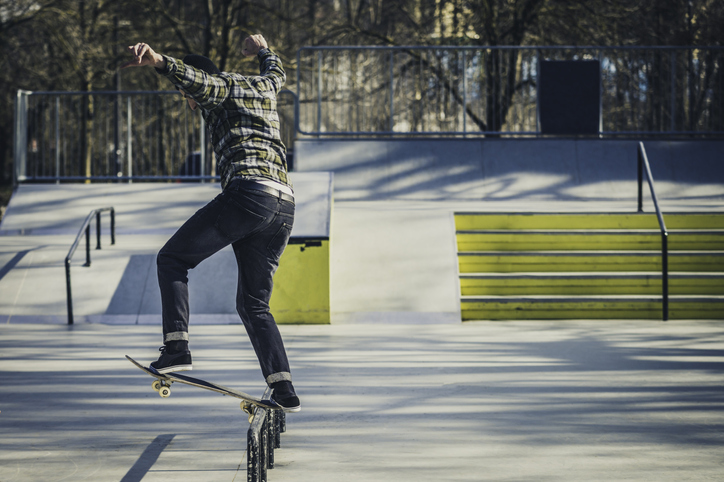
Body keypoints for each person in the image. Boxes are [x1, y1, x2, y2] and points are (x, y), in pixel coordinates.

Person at [121, 35, 300, 412]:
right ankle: (284, 388)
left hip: (249, 194)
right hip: (283, 205)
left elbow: (198, 81)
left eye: (188, 99)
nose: (191, 105)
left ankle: (176, 347)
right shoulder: (262, 86)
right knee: (254, 305)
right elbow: (277, 72)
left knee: (172, 258)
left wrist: (159, 61)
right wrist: (263, 49)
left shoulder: (219, 87)